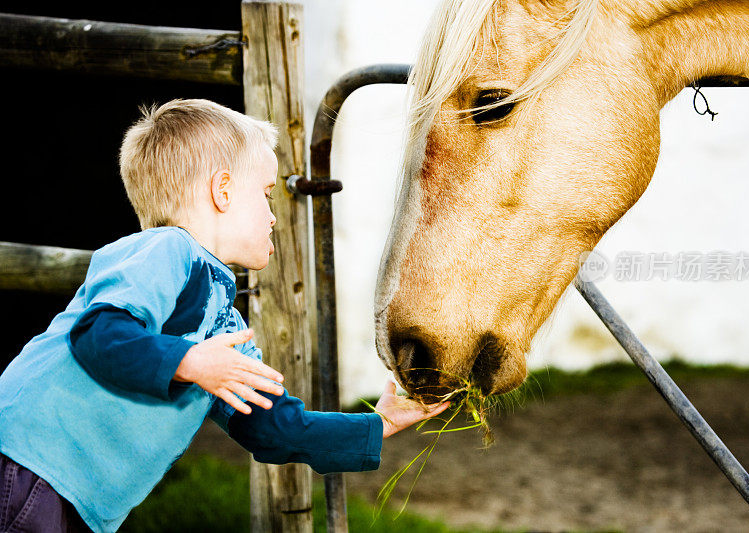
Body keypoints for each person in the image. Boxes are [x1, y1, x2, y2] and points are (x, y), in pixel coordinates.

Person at [0, 99, 449, 533]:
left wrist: (381, 423)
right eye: (267, 194)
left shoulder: (226, 329)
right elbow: (98, 333)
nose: (274, 218)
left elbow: (274, 429)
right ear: (223, 191)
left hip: (75, 502)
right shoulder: (165, 250)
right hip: (26, 464)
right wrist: (192, 362)